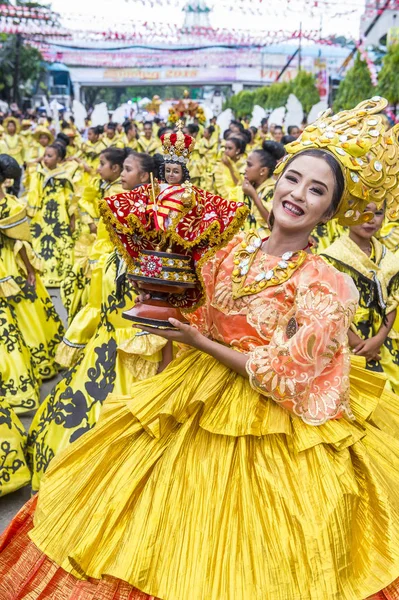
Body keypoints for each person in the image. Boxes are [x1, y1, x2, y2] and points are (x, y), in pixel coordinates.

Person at [2, 97, 399, 600]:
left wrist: (200, 342)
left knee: (261, 559)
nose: (297, 194)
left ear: (331, 209)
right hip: (190, 397)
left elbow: (285, 376)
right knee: (153, 535)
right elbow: (190, 313)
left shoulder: (329, 284)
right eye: (293, 178)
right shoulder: (227, 246)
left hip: (276, 425)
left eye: (317, 190)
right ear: (276, 179)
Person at [27, 151, 165, 492]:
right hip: (106, 333)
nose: (122, 174)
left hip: (139, 341)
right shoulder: (115, 211)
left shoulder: (160, 224)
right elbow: (105, 254)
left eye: (130, 169)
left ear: (147, 178)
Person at [0, 154, 64, 392]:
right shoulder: (14, 207)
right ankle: (28, 365)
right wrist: (29, 271)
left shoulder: (15, 207)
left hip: (6, 267)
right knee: (22, 315)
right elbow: (22, 245)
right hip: (9, 265)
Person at [321, 201, 399, 394]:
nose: (370, 220)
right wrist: (356, 342)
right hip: (347, 342)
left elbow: (393, 301)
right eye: (364, 212)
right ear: (348, 215)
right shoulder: (330, 258)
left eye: (378, 213)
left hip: (383, 344)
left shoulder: (390, 258)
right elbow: (329, 306)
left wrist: (378, 339)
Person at [60, 147, 126, 322]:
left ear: (116, 168)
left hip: (110, 246)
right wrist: (90, 221)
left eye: (102, 164)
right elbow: (84, 200)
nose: (97, 168)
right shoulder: (102, 184)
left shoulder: (120, 192)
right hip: (98, 240)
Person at [27, 143, 77, 287]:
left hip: (60, 215)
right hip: (42, 214)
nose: (45, 159)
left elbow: (70, 198)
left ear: (59, 159)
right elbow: (34, 193)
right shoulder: (39, 174)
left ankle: (60, 273)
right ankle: (41, 272)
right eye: (45, 155)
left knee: (60, 240)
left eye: (50, 156)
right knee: (41, 242)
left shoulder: (64, 177)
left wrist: (72, 217)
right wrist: (32, 212)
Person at [231, 140, 285, 233]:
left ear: (263, 171)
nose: (245, 169)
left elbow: (272, 222)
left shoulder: (274, 190)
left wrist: (253, 195)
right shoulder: (241, 189)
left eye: (249, 165)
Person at [213, 134, 247, 199]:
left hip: (236, 198)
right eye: (225, 148)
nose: (226, 151)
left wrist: (230, 167)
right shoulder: (223, 161)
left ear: (237, 151)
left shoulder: (243, 164)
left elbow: (239, 185)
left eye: (230, 148)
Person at [0, 117, 24, 196]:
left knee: (16, 182)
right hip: (6, 164)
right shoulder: (4, 138)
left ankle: (15, 196)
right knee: (6, 183)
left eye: (12, 126)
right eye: (9, 126)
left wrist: (24, 160)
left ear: (15, 127)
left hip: (18, 161)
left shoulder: (19, 137)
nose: (11, 127)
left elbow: (23, 150)